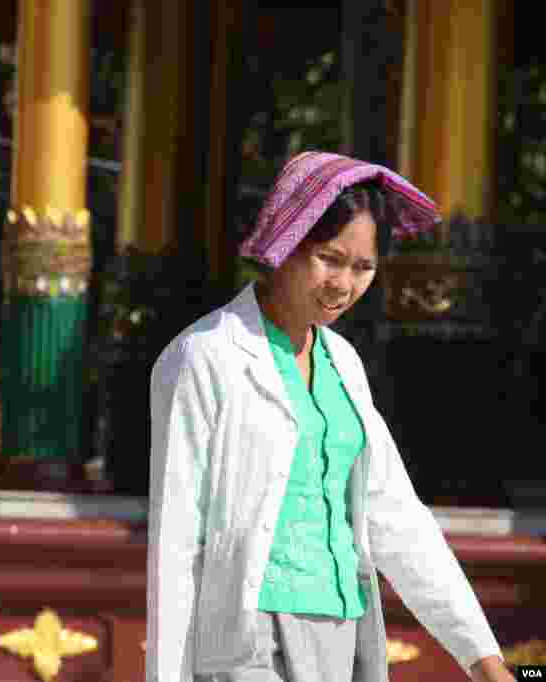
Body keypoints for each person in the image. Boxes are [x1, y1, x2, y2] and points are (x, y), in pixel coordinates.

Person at [146, 151, 514, 682]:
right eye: (329, 258)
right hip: (246, 638)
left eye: (363, 267)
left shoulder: (343, 364)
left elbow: (396, 518)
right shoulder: (205, 357)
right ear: (285, 241)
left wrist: (483, 659)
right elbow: (177, 541)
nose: (344, 284)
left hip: (342, 632)